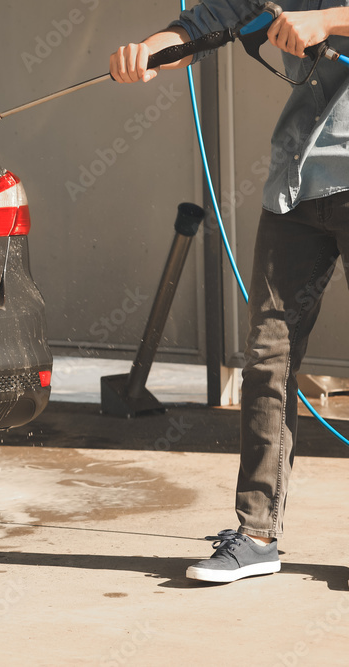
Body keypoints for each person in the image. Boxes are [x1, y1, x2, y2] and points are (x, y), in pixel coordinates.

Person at [110, 1, 349, 583]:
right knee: (268, 359)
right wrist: (151, 47)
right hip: (297, 189)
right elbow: (217, 17)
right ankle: (257, 534)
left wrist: (331, 19)